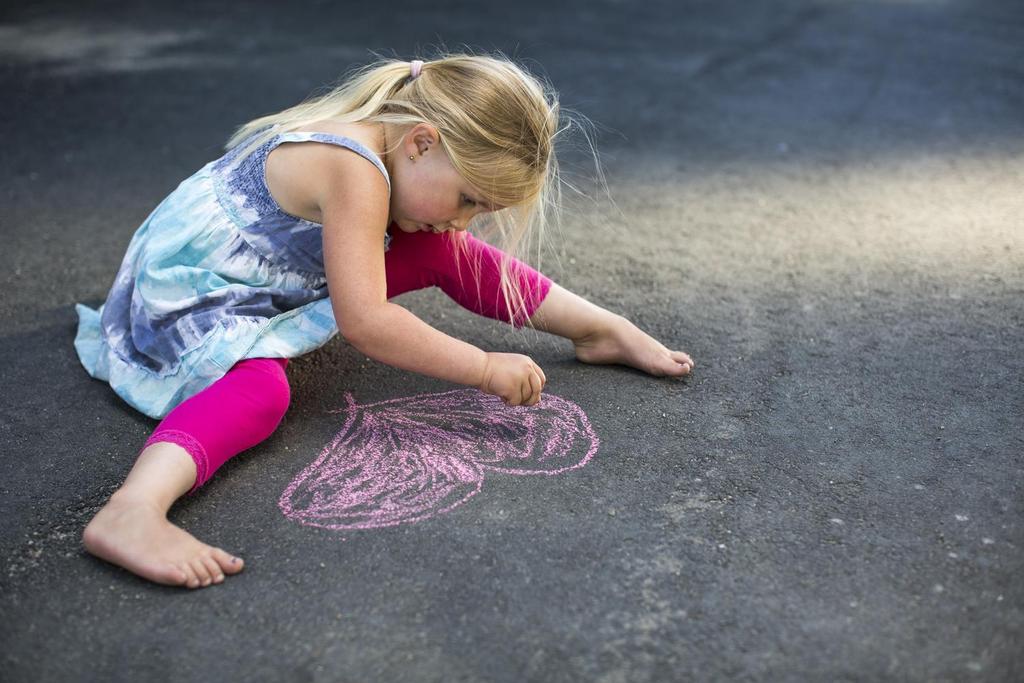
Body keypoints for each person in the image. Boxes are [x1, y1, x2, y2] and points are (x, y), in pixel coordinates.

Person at [78, 52, 695, 590]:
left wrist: (448, 223)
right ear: (421, 142)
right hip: (191, 301)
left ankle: (598, 328)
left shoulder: (388, 142)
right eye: (468, 199)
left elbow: (422, 250)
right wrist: (482, 367)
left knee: (437, 248)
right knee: (261, 392)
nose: (465, 220)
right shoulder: (356, 170)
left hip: (243, 270)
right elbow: (367, 322)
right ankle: (134, 509)